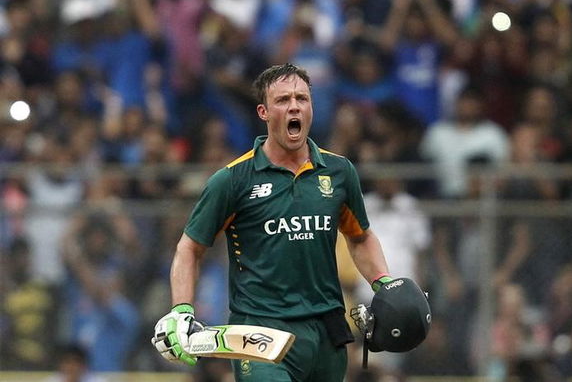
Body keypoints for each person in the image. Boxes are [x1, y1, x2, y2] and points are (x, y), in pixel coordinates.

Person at [151, 63, 394, 381]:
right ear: (263, 112)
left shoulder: (339, 172)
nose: (294, 106)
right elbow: (189, 247)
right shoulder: (233, 179)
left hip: (327, 333)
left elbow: (360, 237)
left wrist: (384, 284)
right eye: (283, 100)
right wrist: (181, 309)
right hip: (260, 333)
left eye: (302, 99)